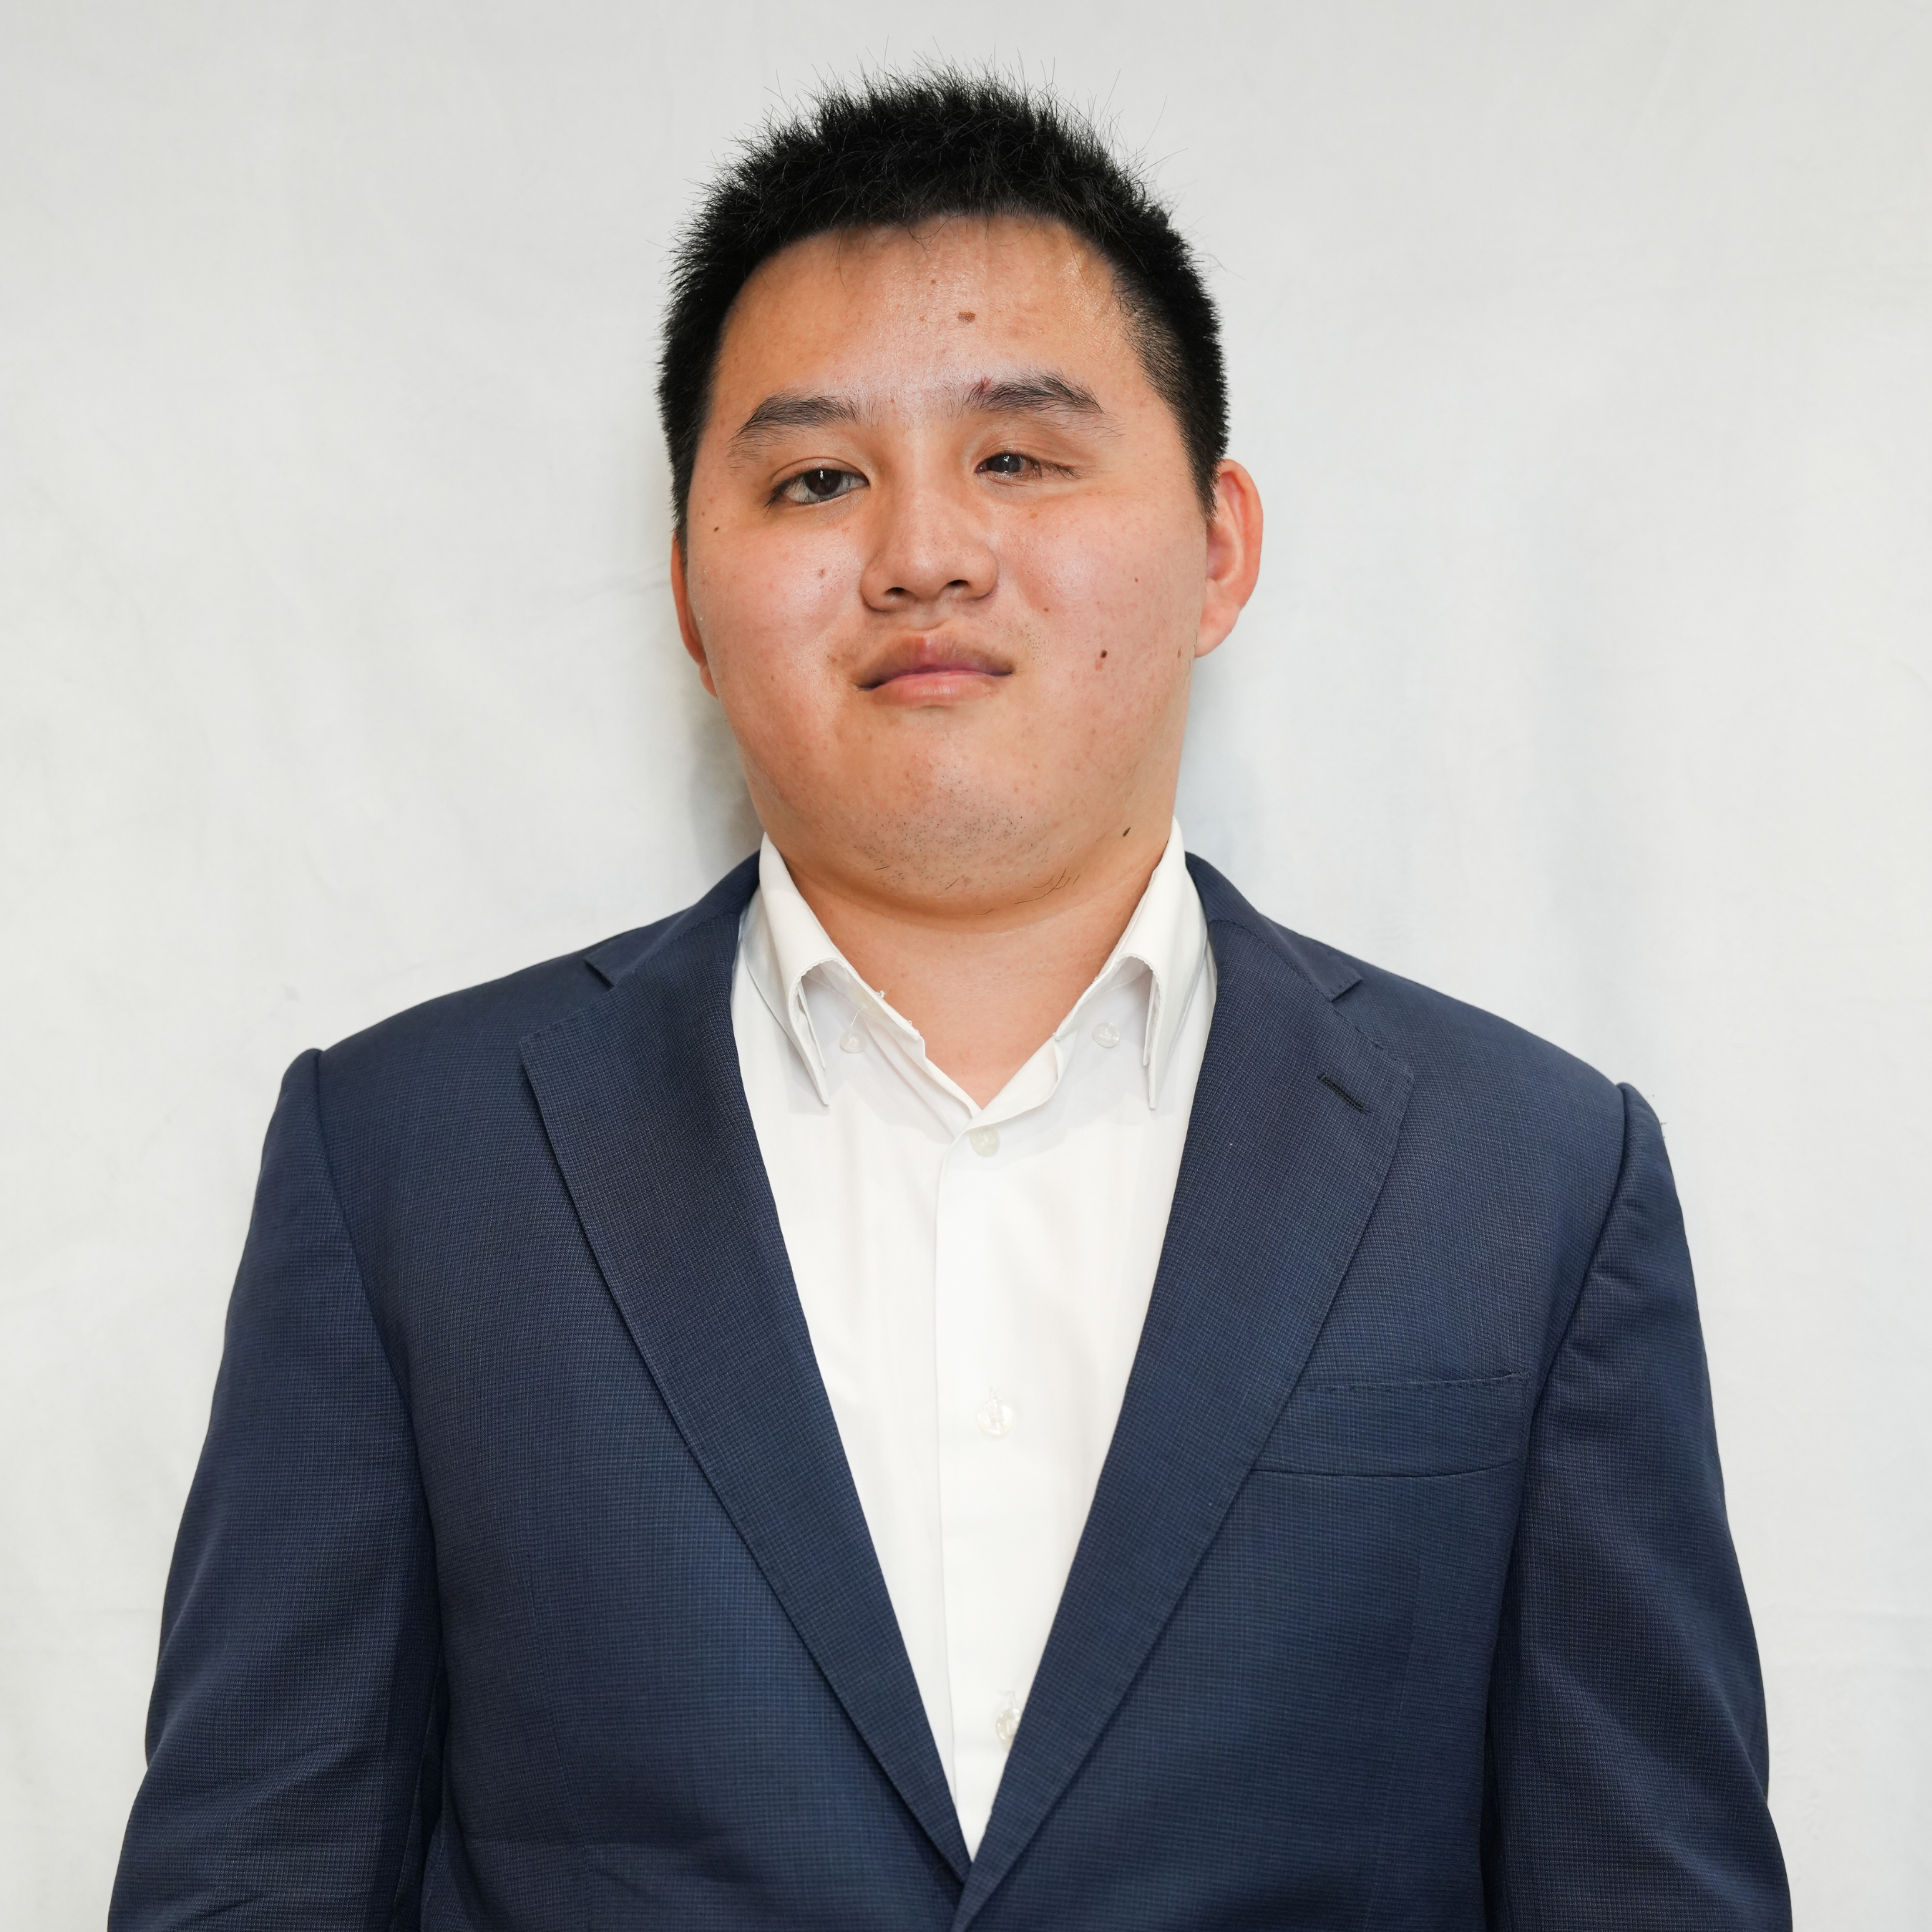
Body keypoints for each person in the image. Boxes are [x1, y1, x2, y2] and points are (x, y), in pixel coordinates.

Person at [110, 69, 1790, 1931]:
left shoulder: (1526, 1182)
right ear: (686, 586)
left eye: (1018, 455)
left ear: (1219, 542)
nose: (921, 550)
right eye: (816, 476)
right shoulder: (415, 1163)